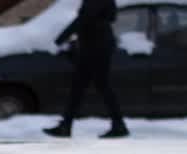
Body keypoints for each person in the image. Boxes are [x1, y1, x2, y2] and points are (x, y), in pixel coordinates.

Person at [44, 0, 130, 139]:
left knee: (100, 86)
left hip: (96, 48)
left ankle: (119, 125)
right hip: (94, 46)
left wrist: (59, 39)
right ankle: (66, 125)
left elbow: (84, 19)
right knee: (80, 87)